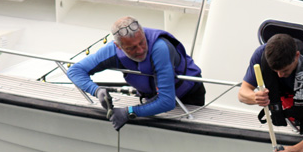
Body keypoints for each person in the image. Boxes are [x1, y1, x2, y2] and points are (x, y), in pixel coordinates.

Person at [67, 16, 204, 131]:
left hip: (187, 98)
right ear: (119, 46)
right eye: (131, 48)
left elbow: (167, 102)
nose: (140, 50)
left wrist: (129, 112)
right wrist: (96, 90)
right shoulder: (112, 50)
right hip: (150, 98)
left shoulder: (159, 48)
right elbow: (75, 71)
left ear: (144, 35)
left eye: (142, 43)